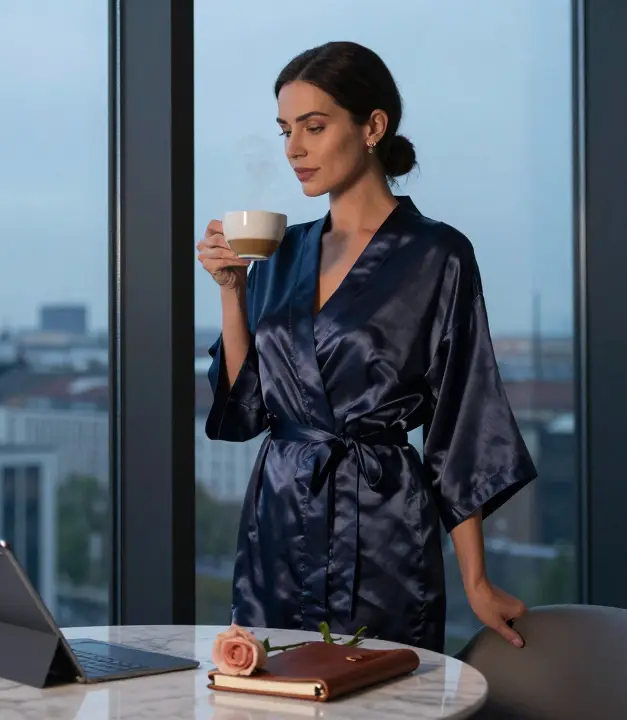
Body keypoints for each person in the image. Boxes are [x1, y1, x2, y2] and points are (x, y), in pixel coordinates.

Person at [197, 40, 537, 654]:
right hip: (278, 518)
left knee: (381, 686)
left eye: (314, 127)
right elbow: (247, 410)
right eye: (285, 131)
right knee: (268, 683)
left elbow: (462, 418)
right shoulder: (280, 253)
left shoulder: (437, 254)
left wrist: (477, 581)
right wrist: (231, 291)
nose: (293, 149)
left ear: (373, 127)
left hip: (382, 523)